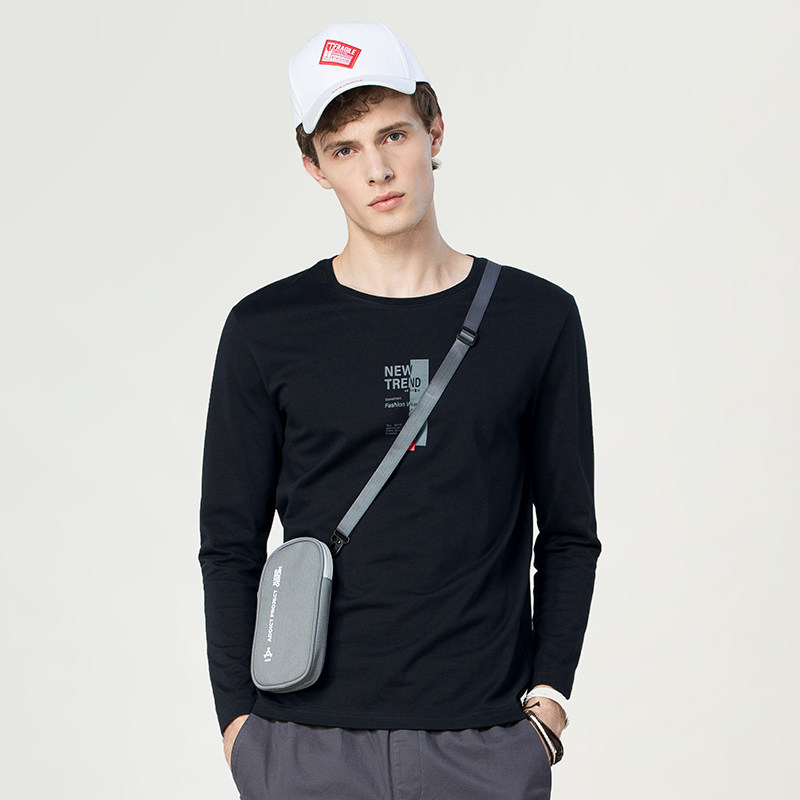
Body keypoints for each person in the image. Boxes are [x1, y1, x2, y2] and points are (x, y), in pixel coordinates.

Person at [198, 20, 601, 800]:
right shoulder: (265, 330)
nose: (378, 169)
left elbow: (569, 533)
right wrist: (242, 731)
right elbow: (229, 546)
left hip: (484, 745)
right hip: (304, 747)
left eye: (393, 134)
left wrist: (548, 705)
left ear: (434, 130)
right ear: (315, 168)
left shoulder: (536, 318)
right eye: (345, 148)